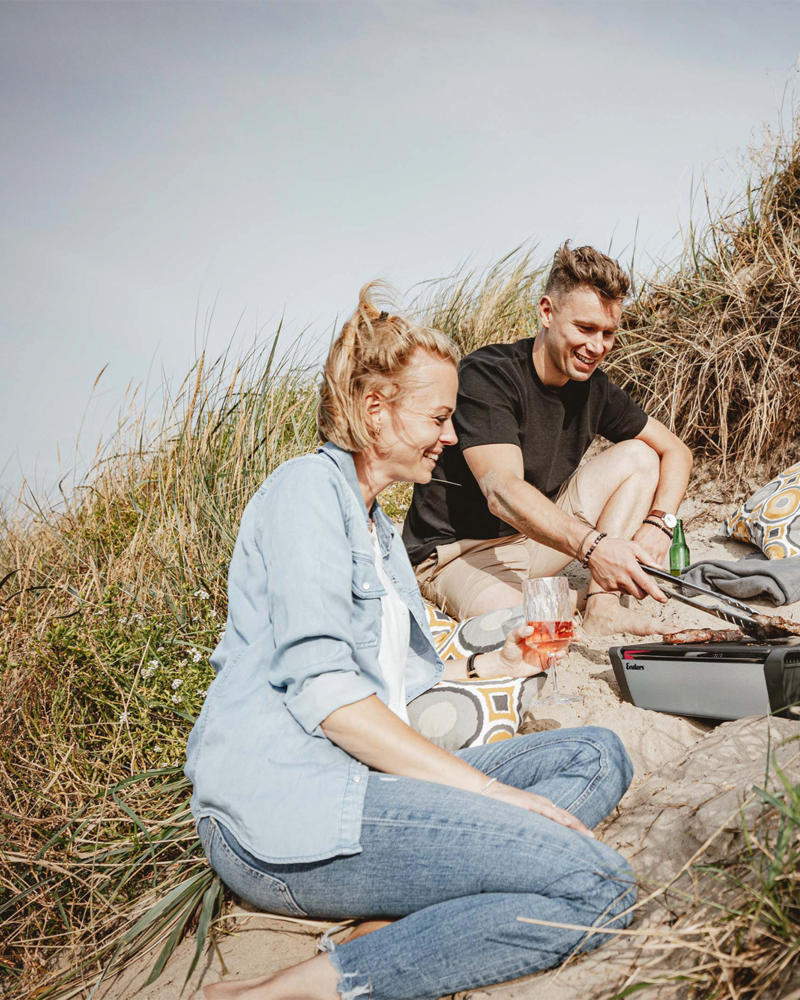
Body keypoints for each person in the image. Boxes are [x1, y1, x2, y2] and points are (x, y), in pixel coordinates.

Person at [186, 284, 637, 1000]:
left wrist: (498, 660)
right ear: (376, 413)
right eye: (437, 417)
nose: (450, 436)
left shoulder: (379, 534)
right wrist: (492, 796)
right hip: (290, 811)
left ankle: (396, 906)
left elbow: (410, 686)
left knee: (595, 753)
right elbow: (329, 698)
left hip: (371, 784)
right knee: (599, 885)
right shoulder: (305, 492)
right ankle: (310, 985)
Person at [401, 243, 695, 638]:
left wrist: (661, 524)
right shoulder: (488, 376)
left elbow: (676, 450)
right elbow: (501, 492)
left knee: (641, 456)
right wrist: (595, 549)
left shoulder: (596, 389)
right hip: (458, 554)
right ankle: (581, 596)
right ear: (546, 312)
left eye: (608, 333)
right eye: (585, 328)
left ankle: (602, 607)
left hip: (535, 538)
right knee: (514, 621)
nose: (597, 347)